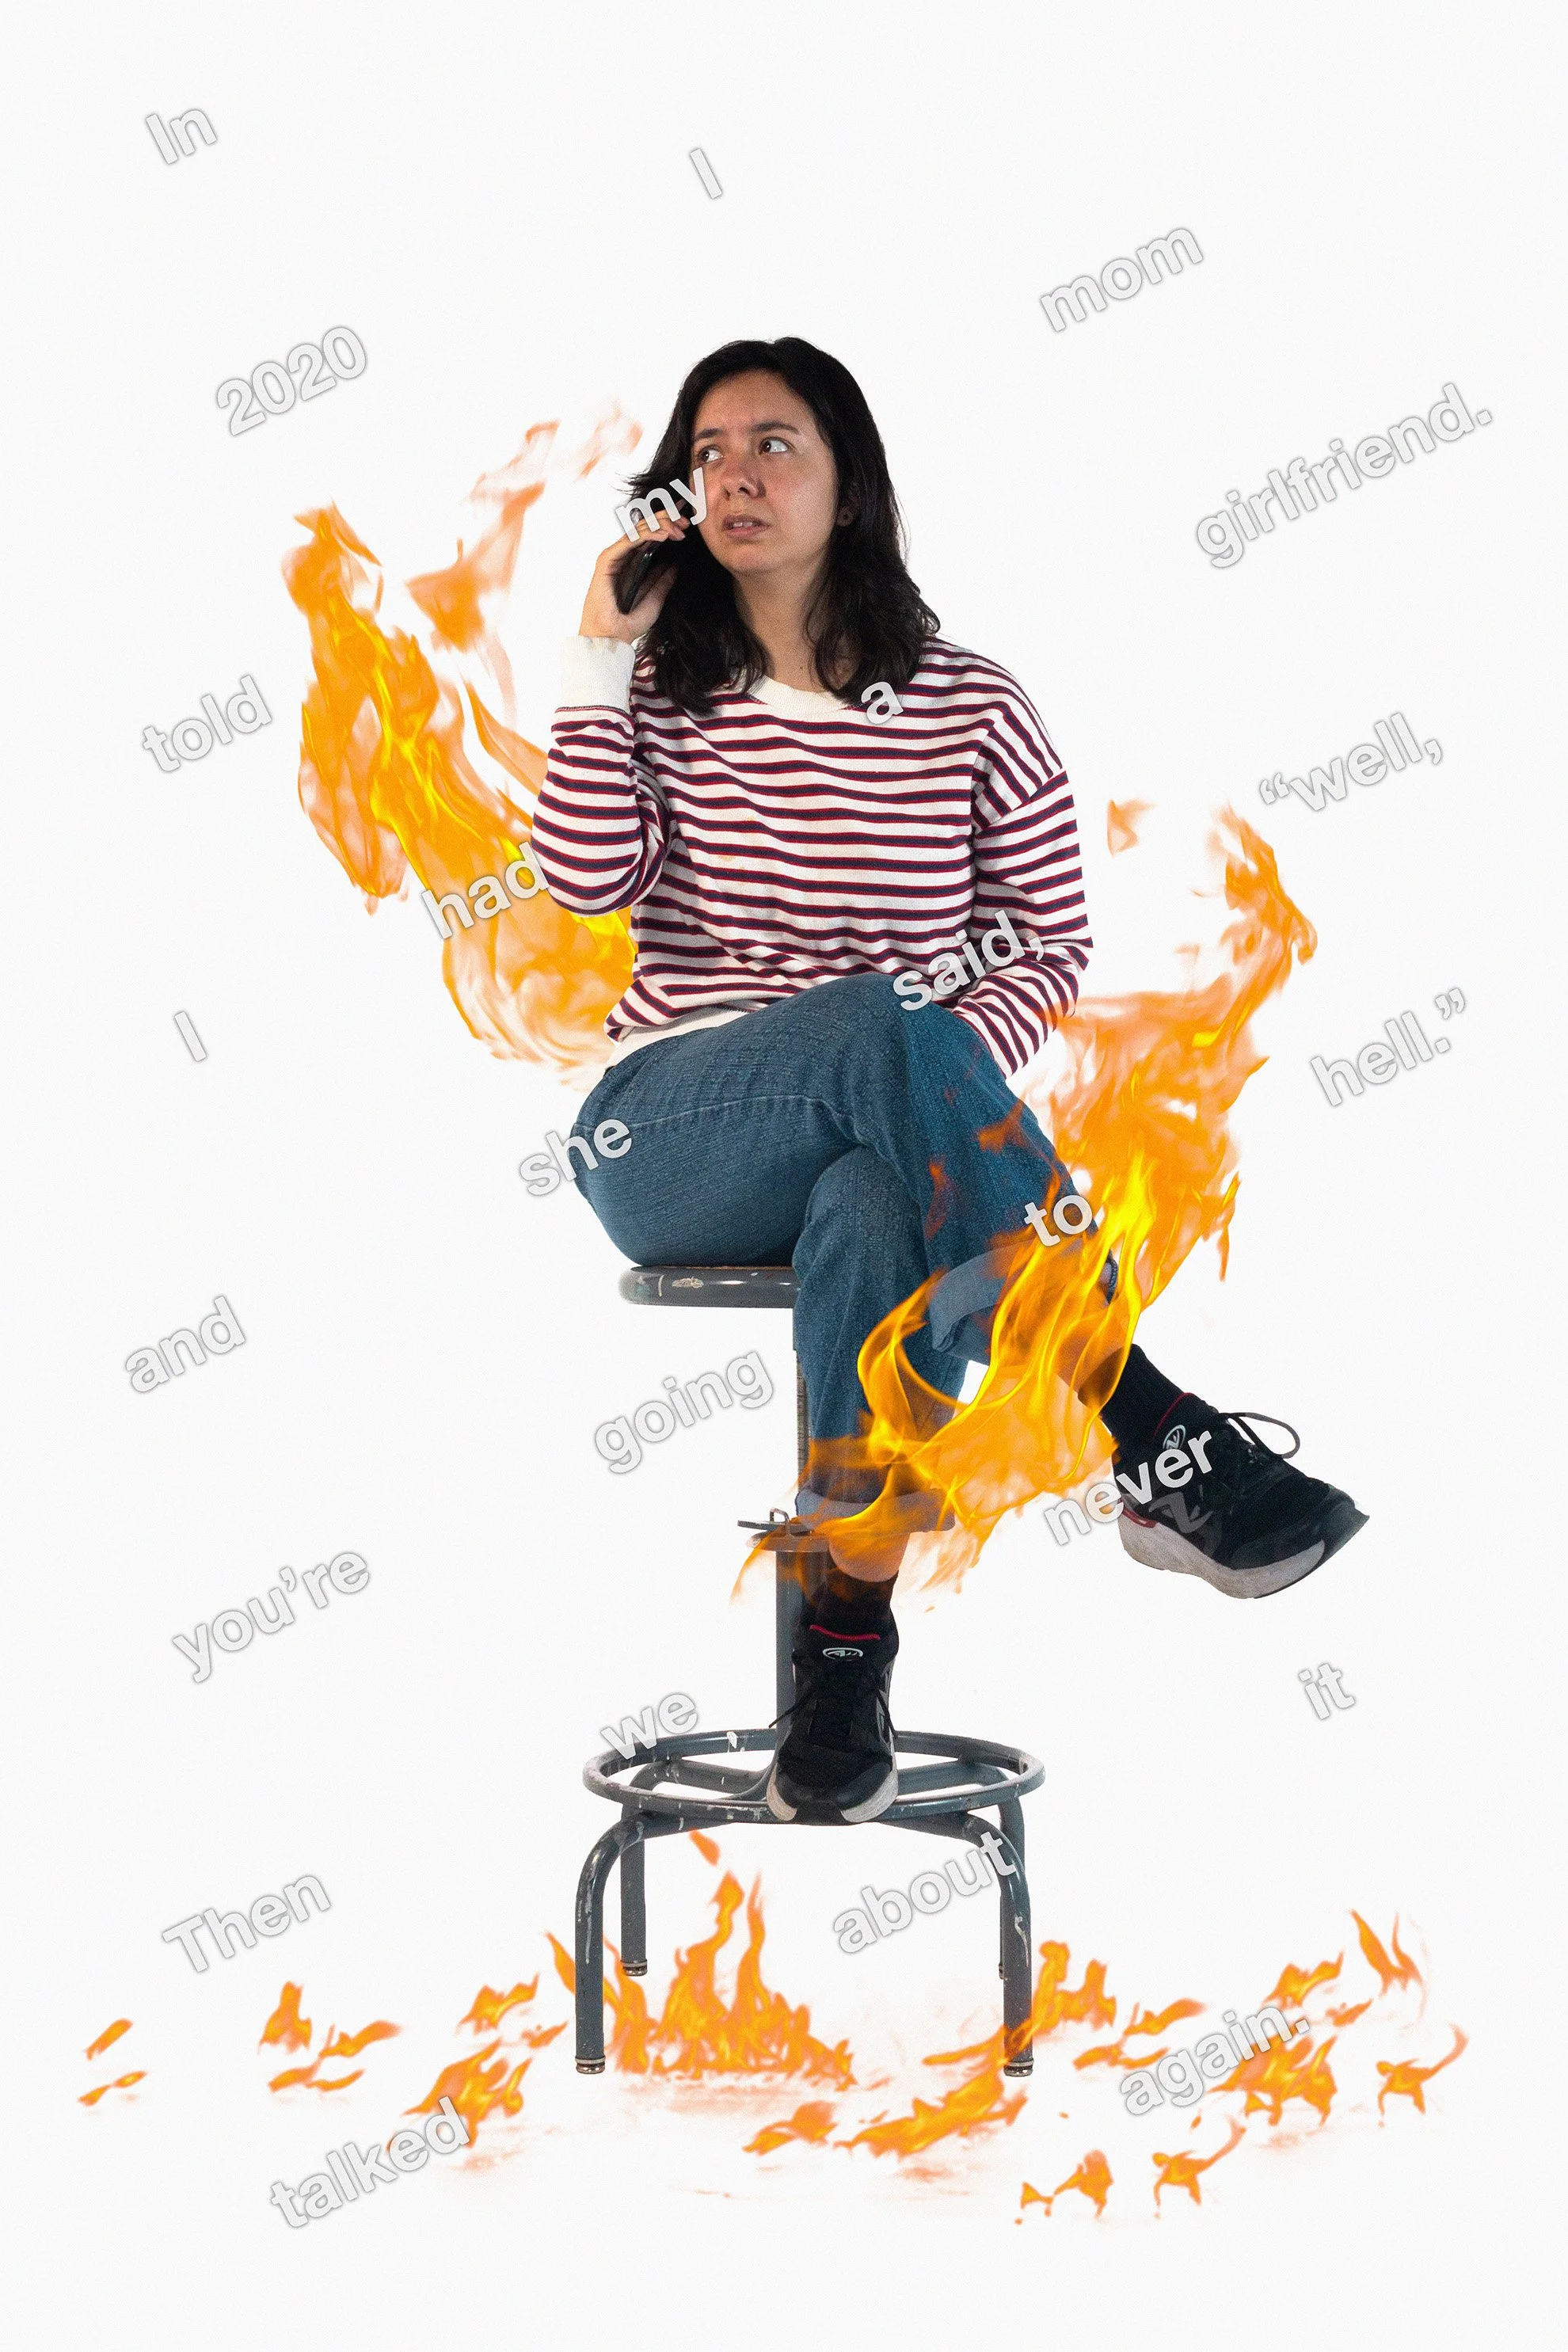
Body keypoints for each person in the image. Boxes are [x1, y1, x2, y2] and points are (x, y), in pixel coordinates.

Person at [529, 337, 1366, 1829]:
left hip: (894, 1144)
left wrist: (927, 1060)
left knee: (873, 1200)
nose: (735, 477)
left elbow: (1046, 942)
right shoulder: (656, 689)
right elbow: (585, 880)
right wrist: (599, 649)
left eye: (774, 445)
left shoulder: (972, 703)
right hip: (669, 1129)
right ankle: (1142, 1412)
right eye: (707, 454)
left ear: (849, 486)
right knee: (878, 1019)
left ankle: (842, 1656)